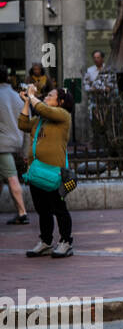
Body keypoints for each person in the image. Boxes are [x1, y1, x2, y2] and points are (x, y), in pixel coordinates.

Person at [18, 83, 73, 257]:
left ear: (60, 102)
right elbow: (23, 124)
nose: (46, 98)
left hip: (54, 173)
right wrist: (27, 101)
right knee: (43, 210)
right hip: (37, 172)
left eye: (50, 96)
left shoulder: (63, 116)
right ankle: (46, 242)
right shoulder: (40, 119)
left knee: (59, 208)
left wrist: (33, 95)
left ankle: (65, 242)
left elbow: (44, 109)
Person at [0, 66, 29, 225]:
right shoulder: (16, 97)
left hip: (2, 146)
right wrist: (25, 150)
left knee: (11, 178)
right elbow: (26, 123)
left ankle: (22, 213)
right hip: (15, 142)